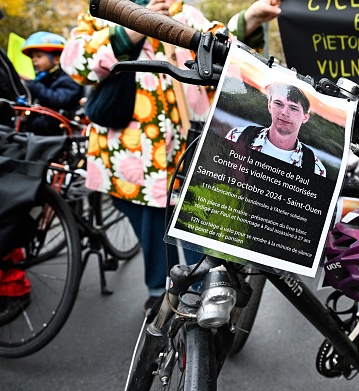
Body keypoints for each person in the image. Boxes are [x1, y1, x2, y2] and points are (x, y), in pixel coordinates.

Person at [61, 0, 281, 313]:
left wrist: (250, 18)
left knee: (192, 215)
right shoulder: (101, 13)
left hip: (188, 143)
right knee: (147, 218)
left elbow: (224, 46)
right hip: (126, 152)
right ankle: (158, 287)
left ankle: (198, 286)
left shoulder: (183, 14)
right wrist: (132, 30)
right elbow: (76, 63)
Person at [225, 82, 326, 176]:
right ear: (269, 105)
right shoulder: (238, 136)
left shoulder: (315, 169)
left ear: (305, 117)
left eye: (293, 108)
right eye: (279, 103)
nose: (284, 113)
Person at [20, 31, 85, 135]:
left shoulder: (69, 77)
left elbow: (58, 99)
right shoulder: (44, 78)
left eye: (39, 56)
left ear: (57, 59)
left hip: (62, 130)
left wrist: (32, 84)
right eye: (32, 57)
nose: (34, 60)